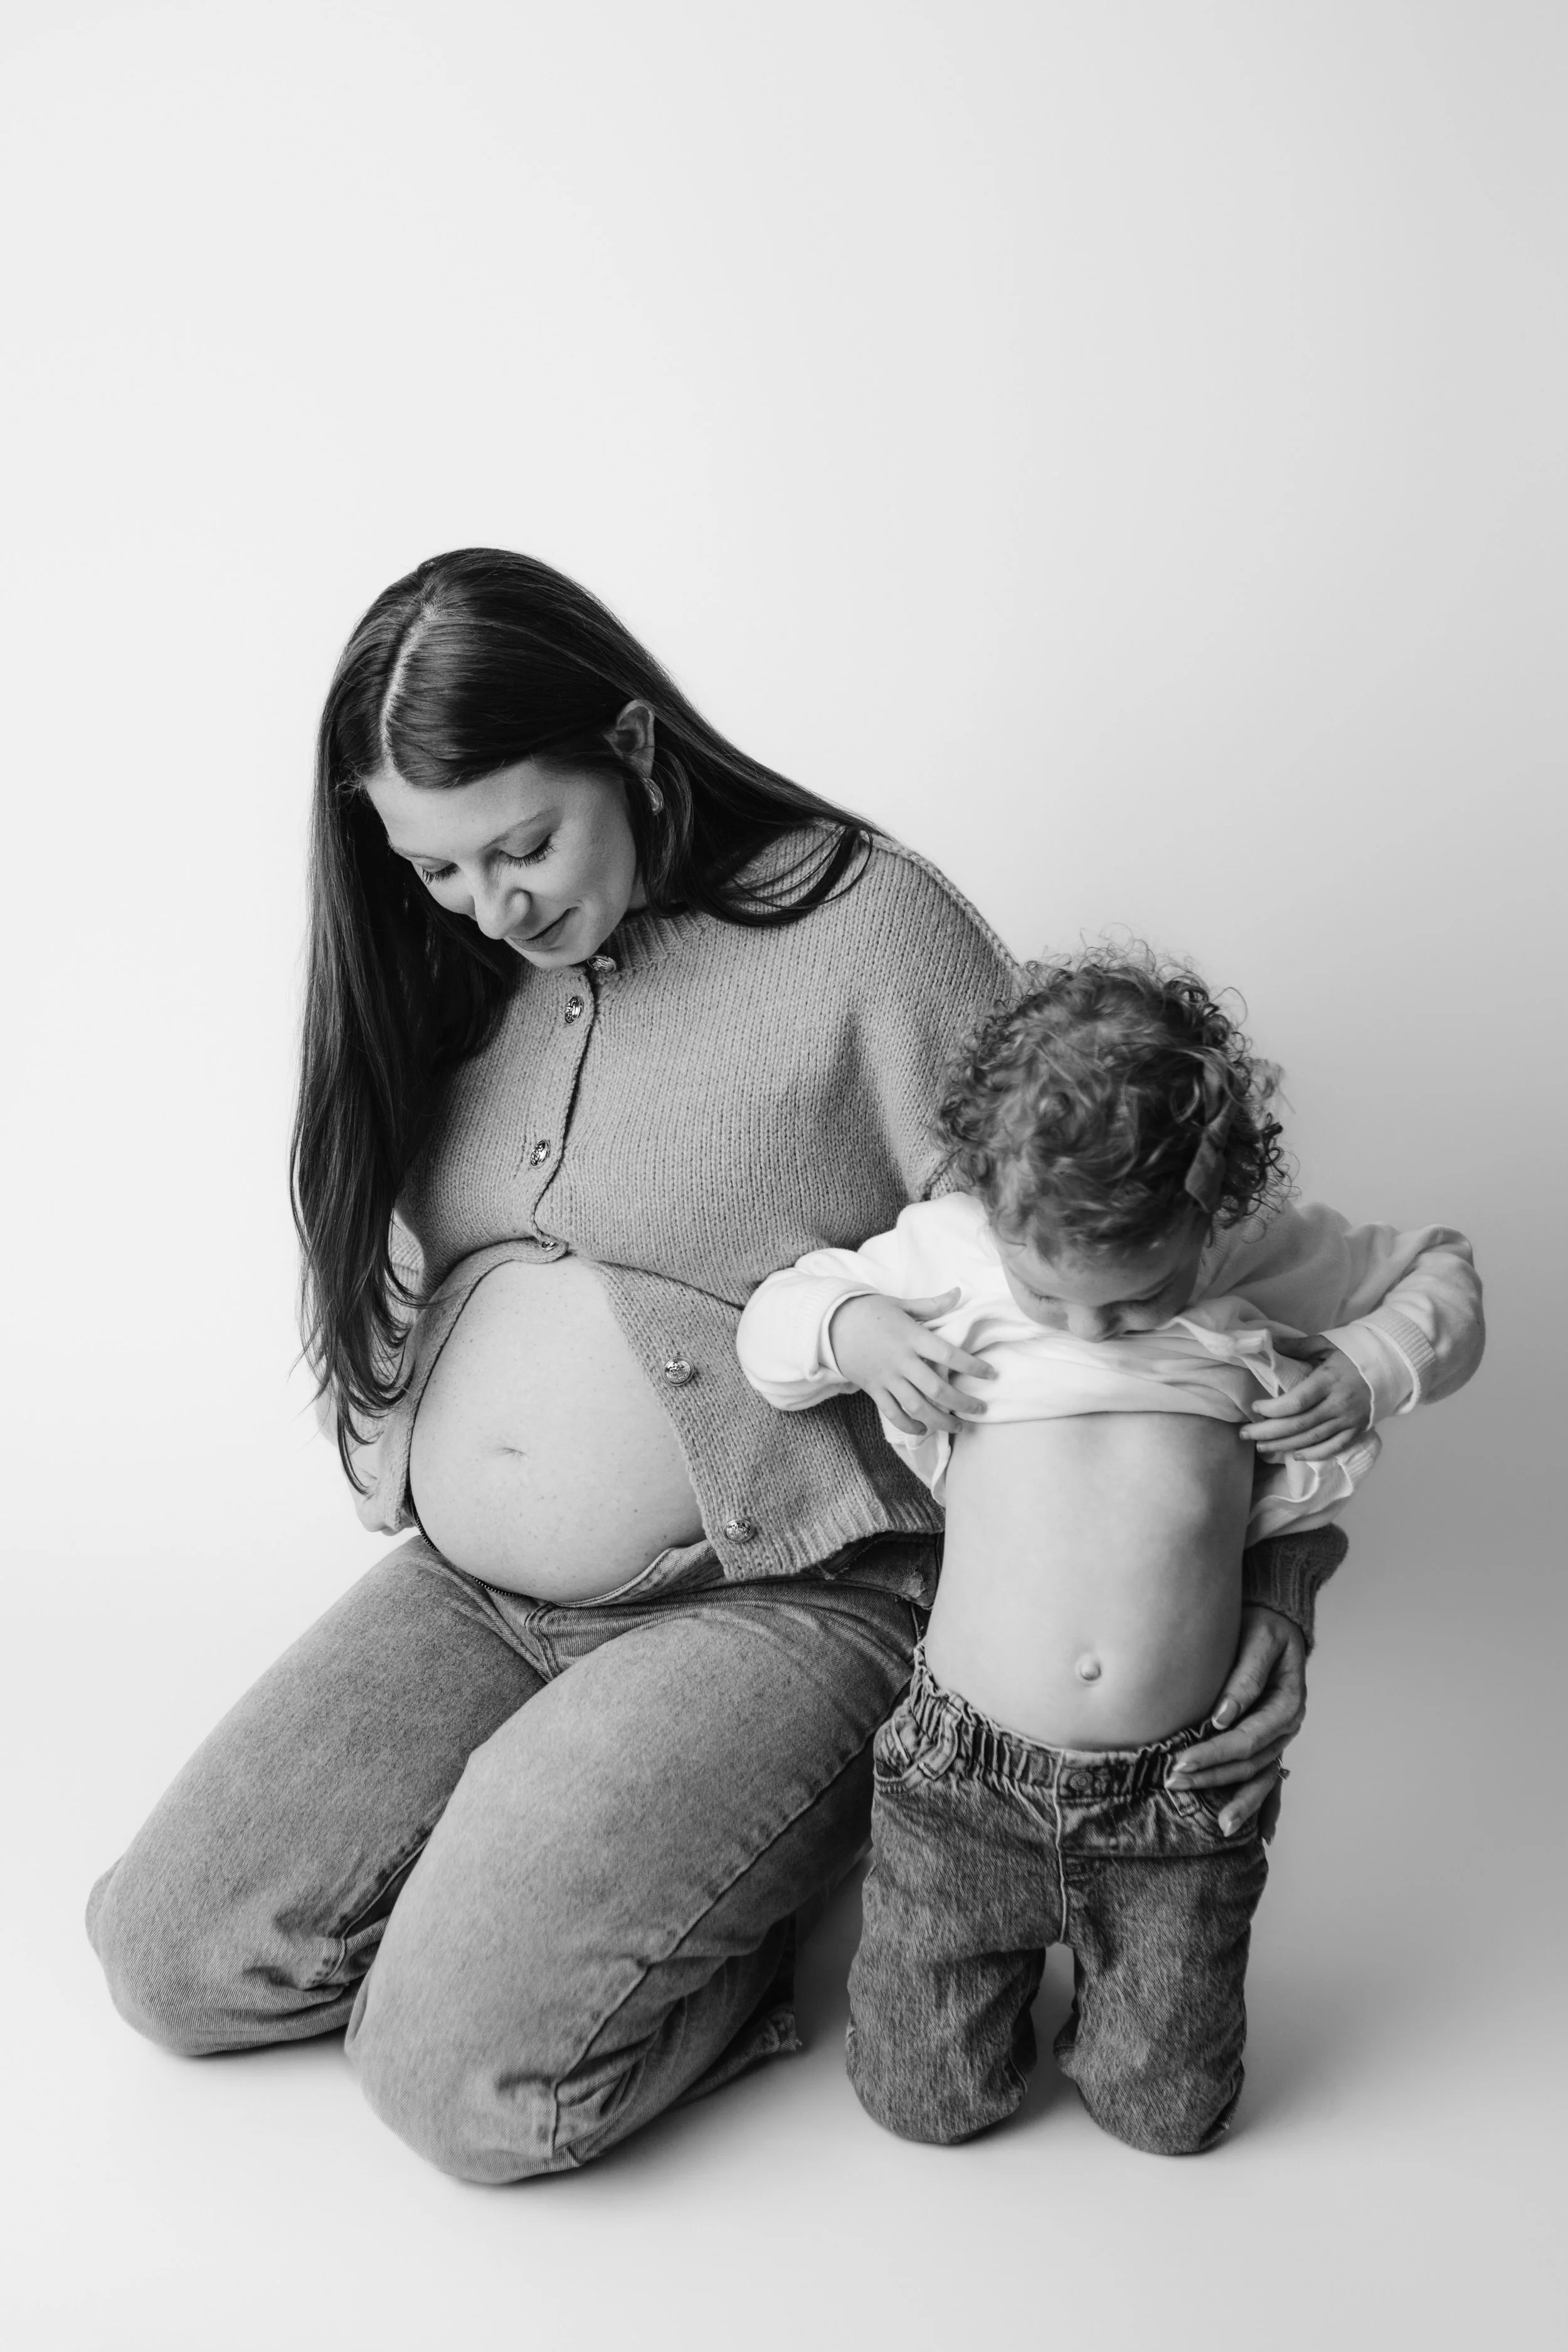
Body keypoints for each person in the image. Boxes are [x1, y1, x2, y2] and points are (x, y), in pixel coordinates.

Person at [87, 553, 1339, 2183]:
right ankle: (563, 1865)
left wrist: (1272, 1592)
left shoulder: (863, 932)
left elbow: (1132, 1268)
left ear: (629, 742)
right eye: (436, 867)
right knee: (166, 1954)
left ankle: (732, 1930)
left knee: (459, 2076)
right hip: (476, 1593)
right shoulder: (462, 962)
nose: (491, 903)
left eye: (522, 841)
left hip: (790, 1594)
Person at [738, 949, 1483, 2154]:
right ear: (994, 1204)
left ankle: (1122, 1997)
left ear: (1205, 1211)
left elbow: (1440, 1267)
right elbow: (771, 1327)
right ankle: (972, 1987)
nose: (1094, 1329)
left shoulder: (1249, 1253)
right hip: (959, 1777)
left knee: (1172, 2115)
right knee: (924, 2105)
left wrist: (1364, 1365)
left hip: (1177, 1799)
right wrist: (857, 1326)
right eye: (1054, 1297)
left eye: (1134, 1304)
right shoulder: (961, 1250)